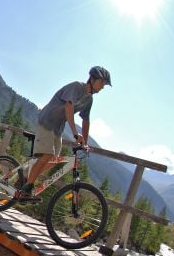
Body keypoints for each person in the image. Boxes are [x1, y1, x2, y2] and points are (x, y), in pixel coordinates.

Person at [17, 66, 112, 199]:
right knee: (47, 155)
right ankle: (27, 188)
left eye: (105, 84)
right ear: (92, 79)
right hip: (47, 121)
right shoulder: (76, 87)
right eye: (102, 82)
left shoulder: (89, 100)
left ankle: (26, 175)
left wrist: (84, 141)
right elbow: (69, 106)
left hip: (58, 128)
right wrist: (74, 133)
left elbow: (86, 120)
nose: (103, 87)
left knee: (54, 160)